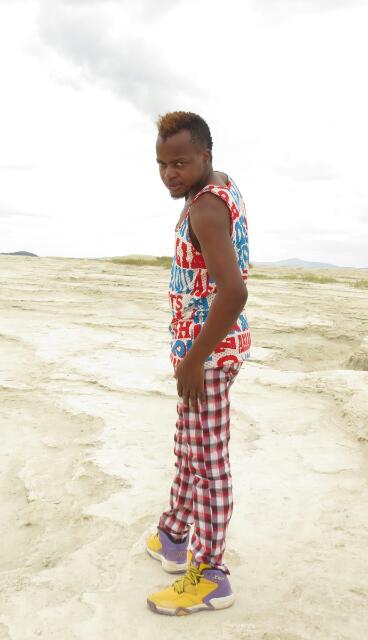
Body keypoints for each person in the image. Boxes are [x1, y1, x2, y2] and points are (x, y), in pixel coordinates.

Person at [144, 111, 252, 616]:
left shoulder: (206, 208)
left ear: (206, 157)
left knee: (208, 465)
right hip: (202, 351)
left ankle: (210, 575)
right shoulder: (214, 186)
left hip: (207, 355)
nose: (170, 173)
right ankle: (173, 535)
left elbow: (234, 292)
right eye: (162, 164)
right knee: (189, 449)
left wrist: (194, 360)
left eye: (181, 163)